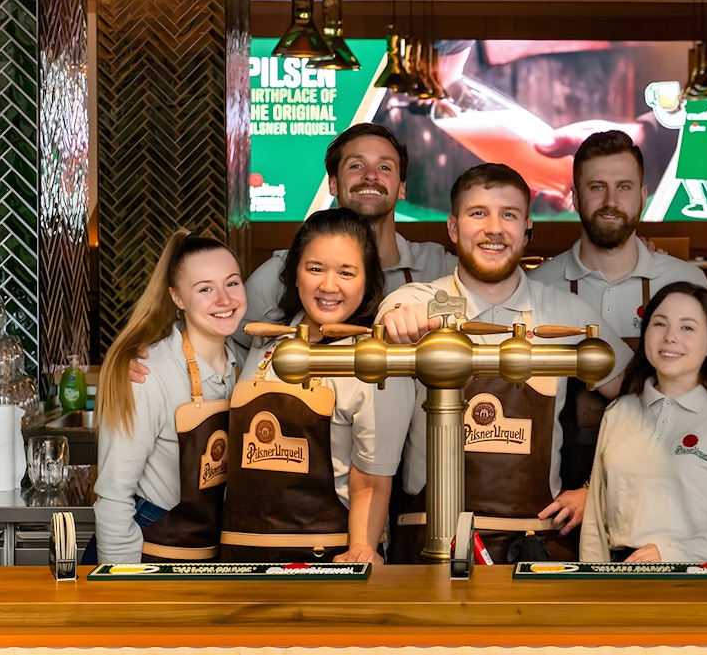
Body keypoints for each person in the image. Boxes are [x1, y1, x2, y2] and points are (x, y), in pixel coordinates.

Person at [377, 163, 634, 563]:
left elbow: (642, 395)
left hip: (532, 542)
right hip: (427, 541)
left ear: (527, 227)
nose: (494, 228)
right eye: (478, 213)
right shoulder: (415, 300)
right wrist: (396, 321)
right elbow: (392, 317)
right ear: (452, 227)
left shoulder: (564, 311)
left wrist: (596, 486)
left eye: (509, 215)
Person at [528, 129, 707, 523]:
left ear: (643, 196)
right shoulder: (540, 285)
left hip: (665, 495)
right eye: (597, 187)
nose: (611, 202)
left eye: (624, 187)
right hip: (555, 503)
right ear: (575, 197)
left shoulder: (684, 283)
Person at [221, 208, 415, 565]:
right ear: (295, 273)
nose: (329, 286)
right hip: (241, 549)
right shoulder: (266, 341)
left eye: (346, 272)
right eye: (315, 269)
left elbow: (370, 480)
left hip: (326, 554)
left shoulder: (374, 363)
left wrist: (362, 549)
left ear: (368, 281)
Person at [581, 281, 707, 563]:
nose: (670, 337)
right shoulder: (619, 412)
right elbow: (595, 523)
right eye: (660, 324)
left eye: (687, 327)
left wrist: (674, 554)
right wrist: (593, 587)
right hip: (622, 578)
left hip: (704, 581)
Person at [93, 231, 245, 563]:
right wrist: (121, 586)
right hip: (149, 542)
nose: (224, 299)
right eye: (205, 289)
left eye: (232, 283)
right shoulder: (149, 375)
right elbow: (114, 497)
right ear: (177, 298)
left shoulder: (243, 367)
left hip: (204, 545)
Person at [241, 122, 456, 347]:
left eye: (384, 167)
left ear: (402, 188)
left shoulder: (439, 266)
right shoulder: (278, 273)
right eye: (356, 166)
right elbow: (235, 351)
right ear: (332, 184)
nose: (371, 176)